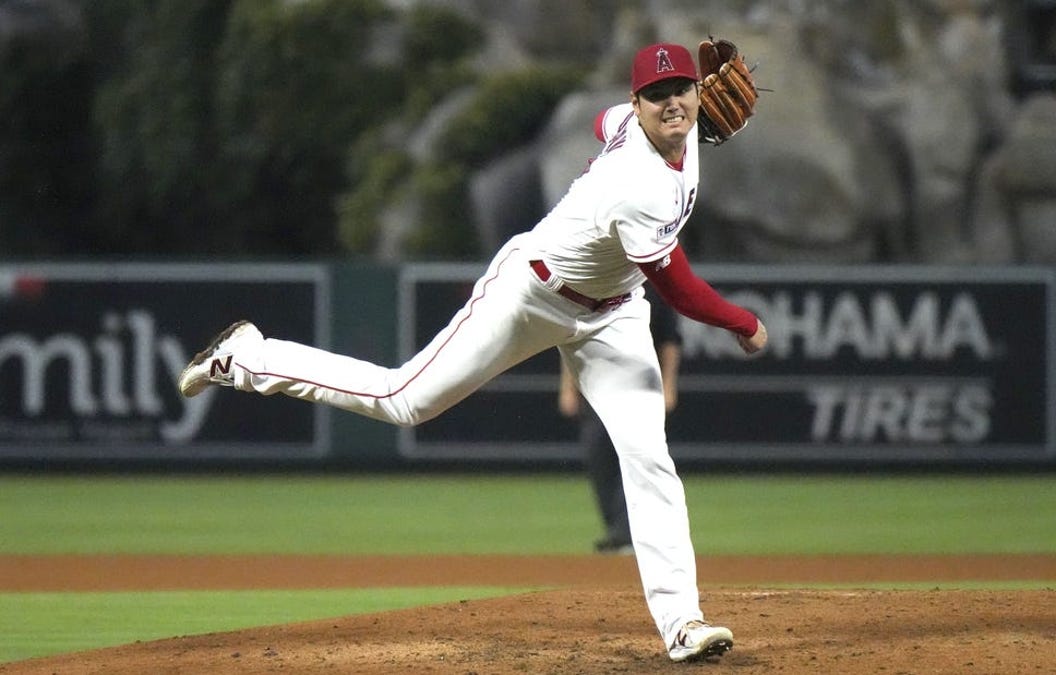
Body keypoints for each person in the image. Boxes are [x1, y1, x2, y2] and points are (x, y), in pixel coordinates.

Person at [177, 41, 767, 664]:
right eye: (656, 94)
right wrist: (745, 322)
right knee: (405, 401)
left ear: (699, 94)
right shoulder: (635, 183)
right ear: (637, 103)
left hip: (614, 315)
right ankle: (248, 357)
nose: (671, 101)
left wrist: (684, 123)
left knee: (650, 457)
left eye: (680, 88)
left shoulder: (661, 124)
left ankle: (682, 624)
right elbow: (680, 288)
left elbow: (603, 122)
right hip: (532, 293)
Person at [559, 290, 680, 555]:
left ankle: (633, 534)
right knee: (598, 457)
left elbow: (669, 342)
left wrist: (669, 386)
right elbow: (570, 336)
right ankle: (617, 532)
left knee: (636, 457)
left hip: (638, 385)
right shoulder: (595, 280)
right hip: (594, 383)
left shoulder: (654, 287)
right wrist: (567, 387)